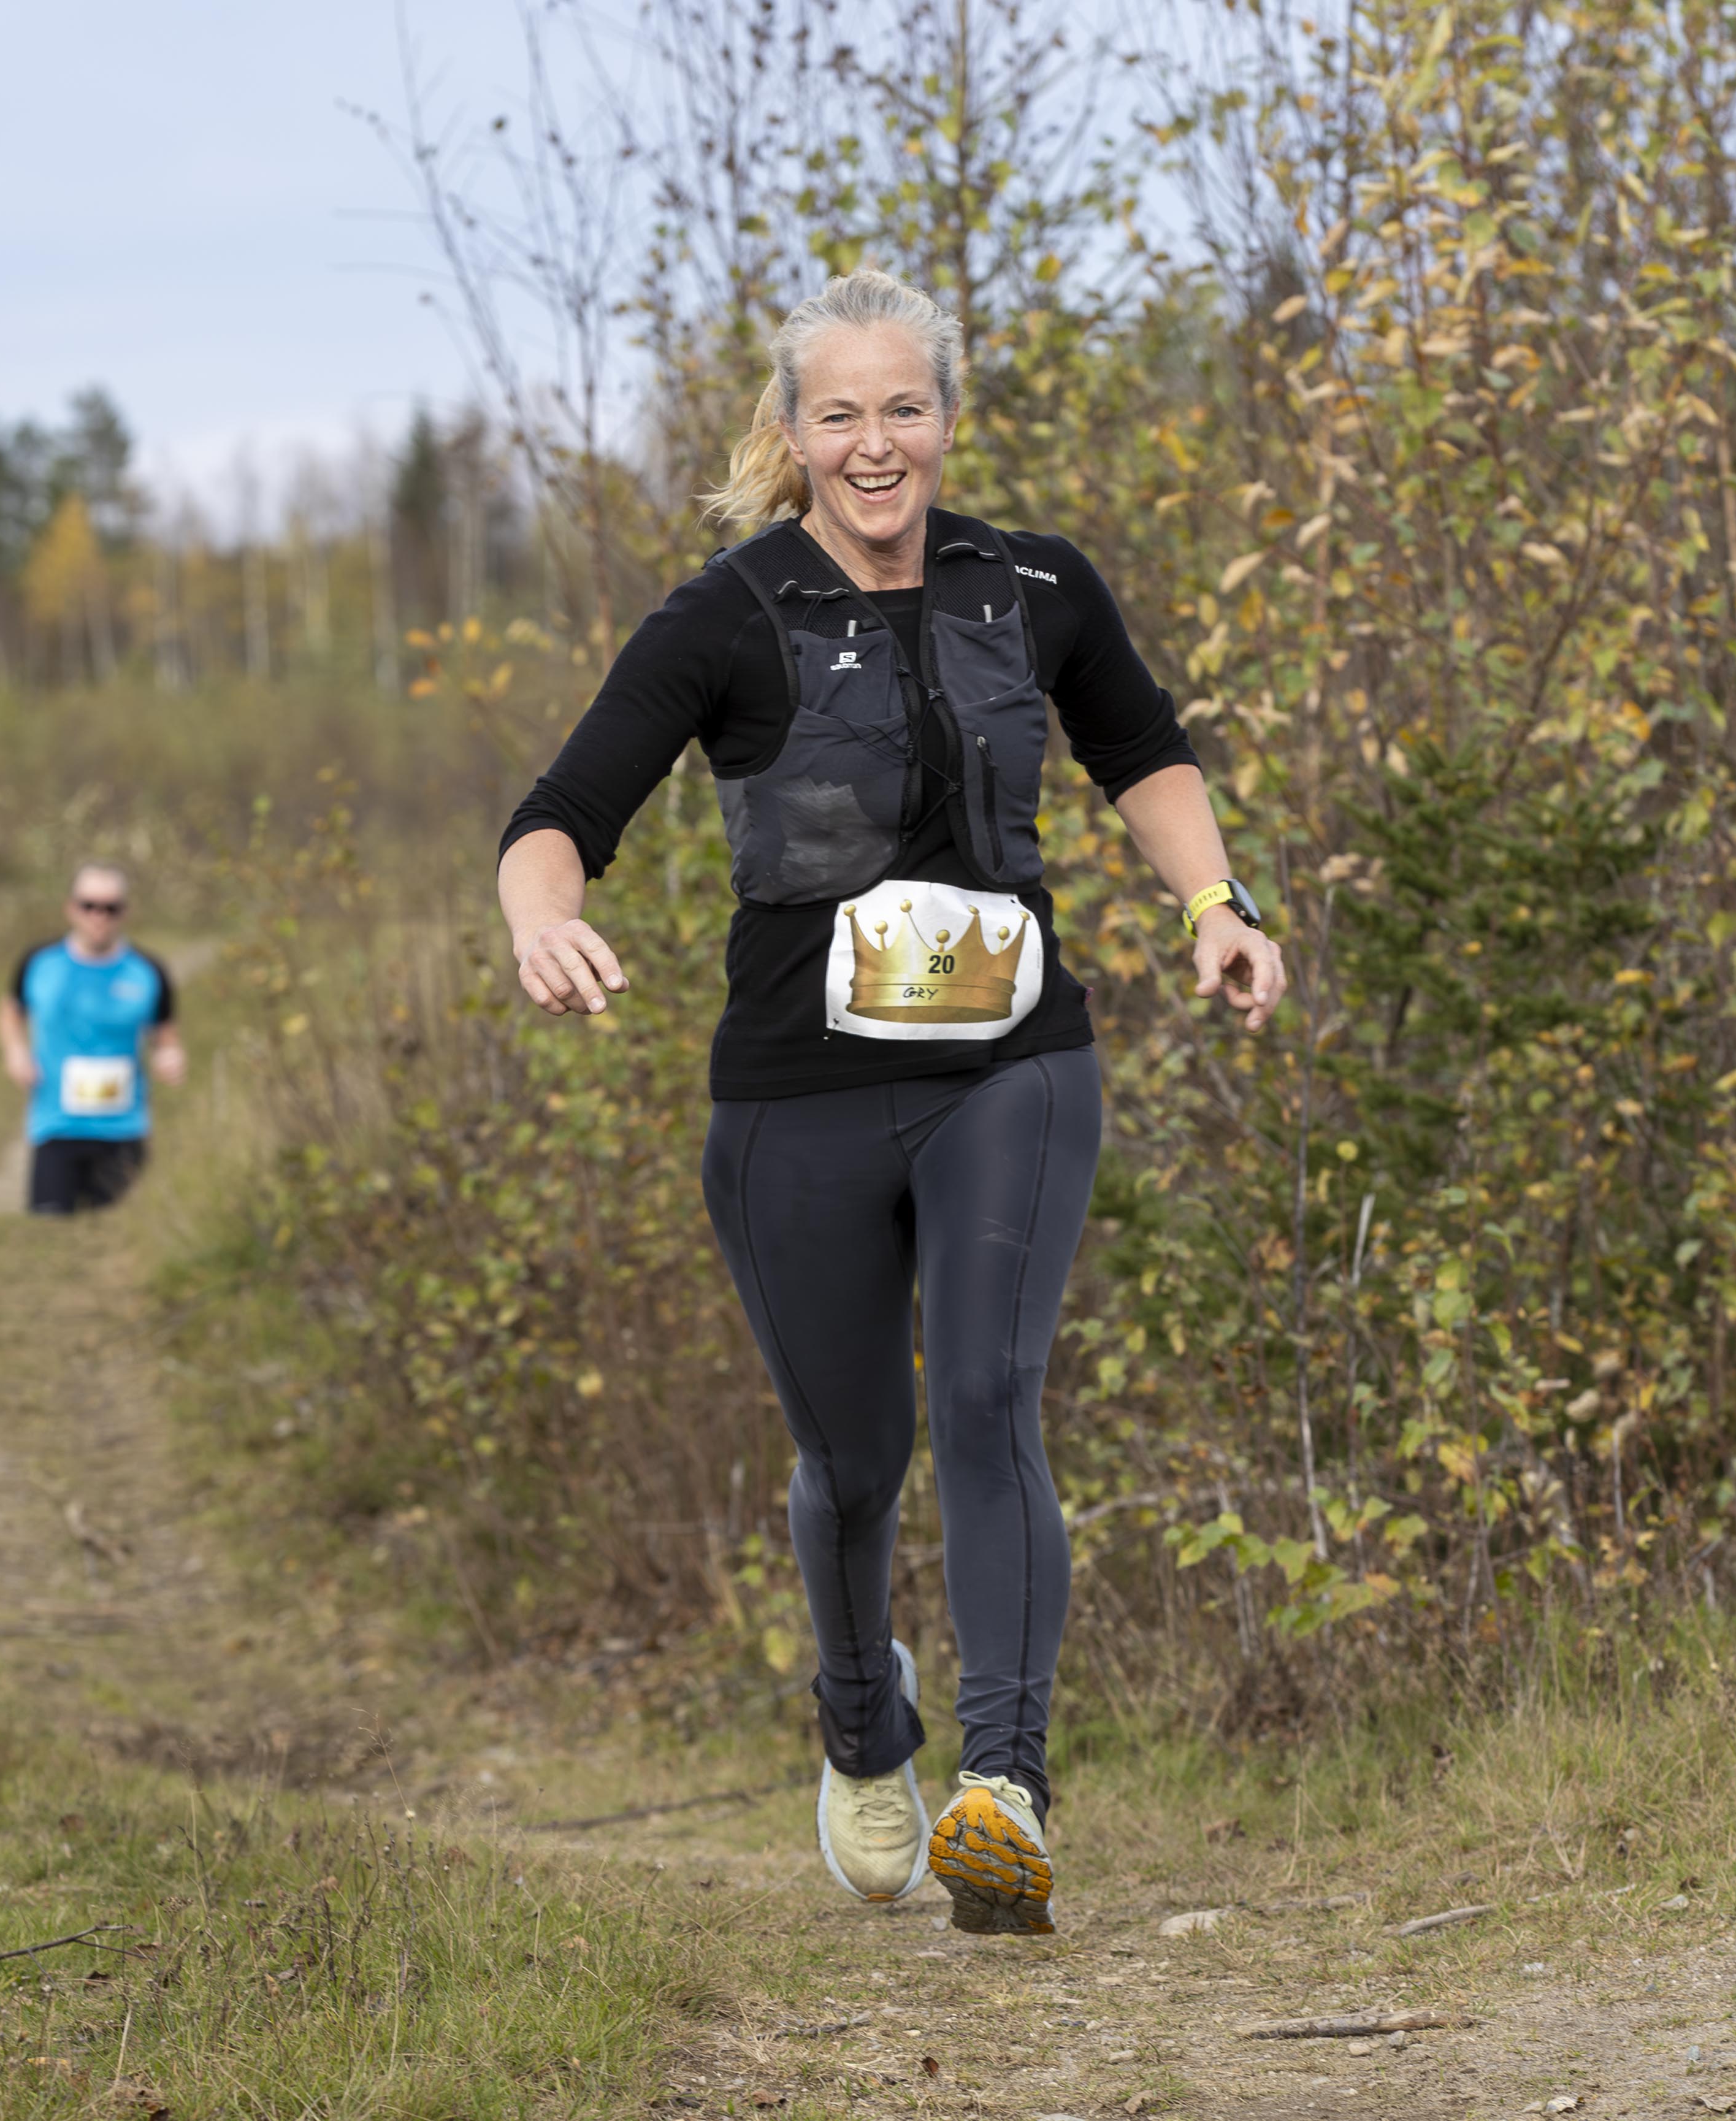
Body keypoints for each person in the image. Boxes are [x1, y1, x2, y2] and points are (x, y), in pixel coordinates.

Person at [494, 269, 1284, 1937]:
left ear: (946, 417)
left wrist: (1221, 907)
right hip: (800, 1098)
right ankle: (868, 1719)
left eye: (904, 409)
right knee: (853, 1460)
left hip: (1016, 1066)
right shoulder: (725, 615)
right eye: (840, 414)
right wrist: (542, 916)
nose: (876, 444)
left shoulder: (1037, 583)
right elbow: (562, 809)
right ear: (795, 433)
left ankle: (1007, 1788)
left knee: (993, 1398)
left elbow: (1144, 749)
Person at [0, 863, 185, 1215]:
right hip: (56, 1126)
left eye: (110, 908)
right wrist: (16, 1051)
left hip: (123, 1130)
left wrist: (169, 1057)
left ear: (125, 912)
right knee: (49, 1234)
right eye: (89, 906)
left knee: (111, 1247)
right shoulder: (39, 963)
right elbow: (10, 1012)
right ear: (71, 908)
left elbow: (166, 1035)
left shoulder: (148, 972)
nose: (99, 917)